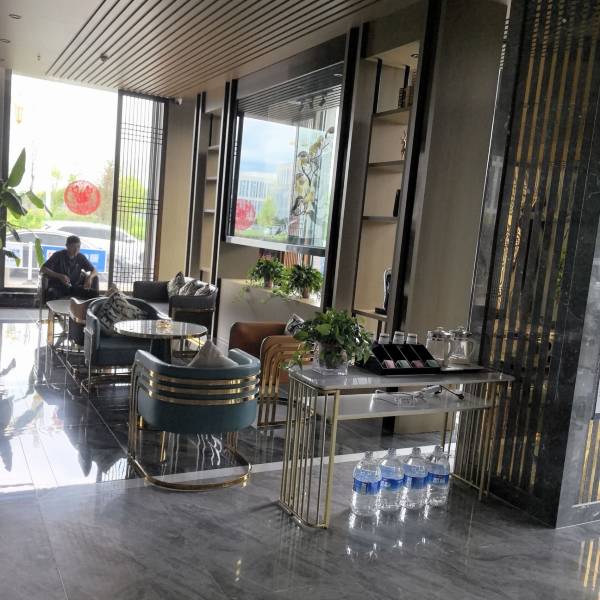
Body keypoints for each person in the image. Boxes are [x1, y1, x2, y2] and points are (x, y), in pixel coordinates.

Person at [41, 235, 100, 300]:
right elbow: (43, 269)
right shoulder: (58, 255)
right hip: (58, 287)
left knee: (94, 294)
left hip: (74, 287)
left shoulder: (81, 257)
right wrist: (60, 276)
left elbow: (95, 271)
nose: (76, 250)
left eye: (78, 247)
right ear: (67, 246)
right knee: (51, 293)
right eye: (73, 247)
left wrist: (90, 277)